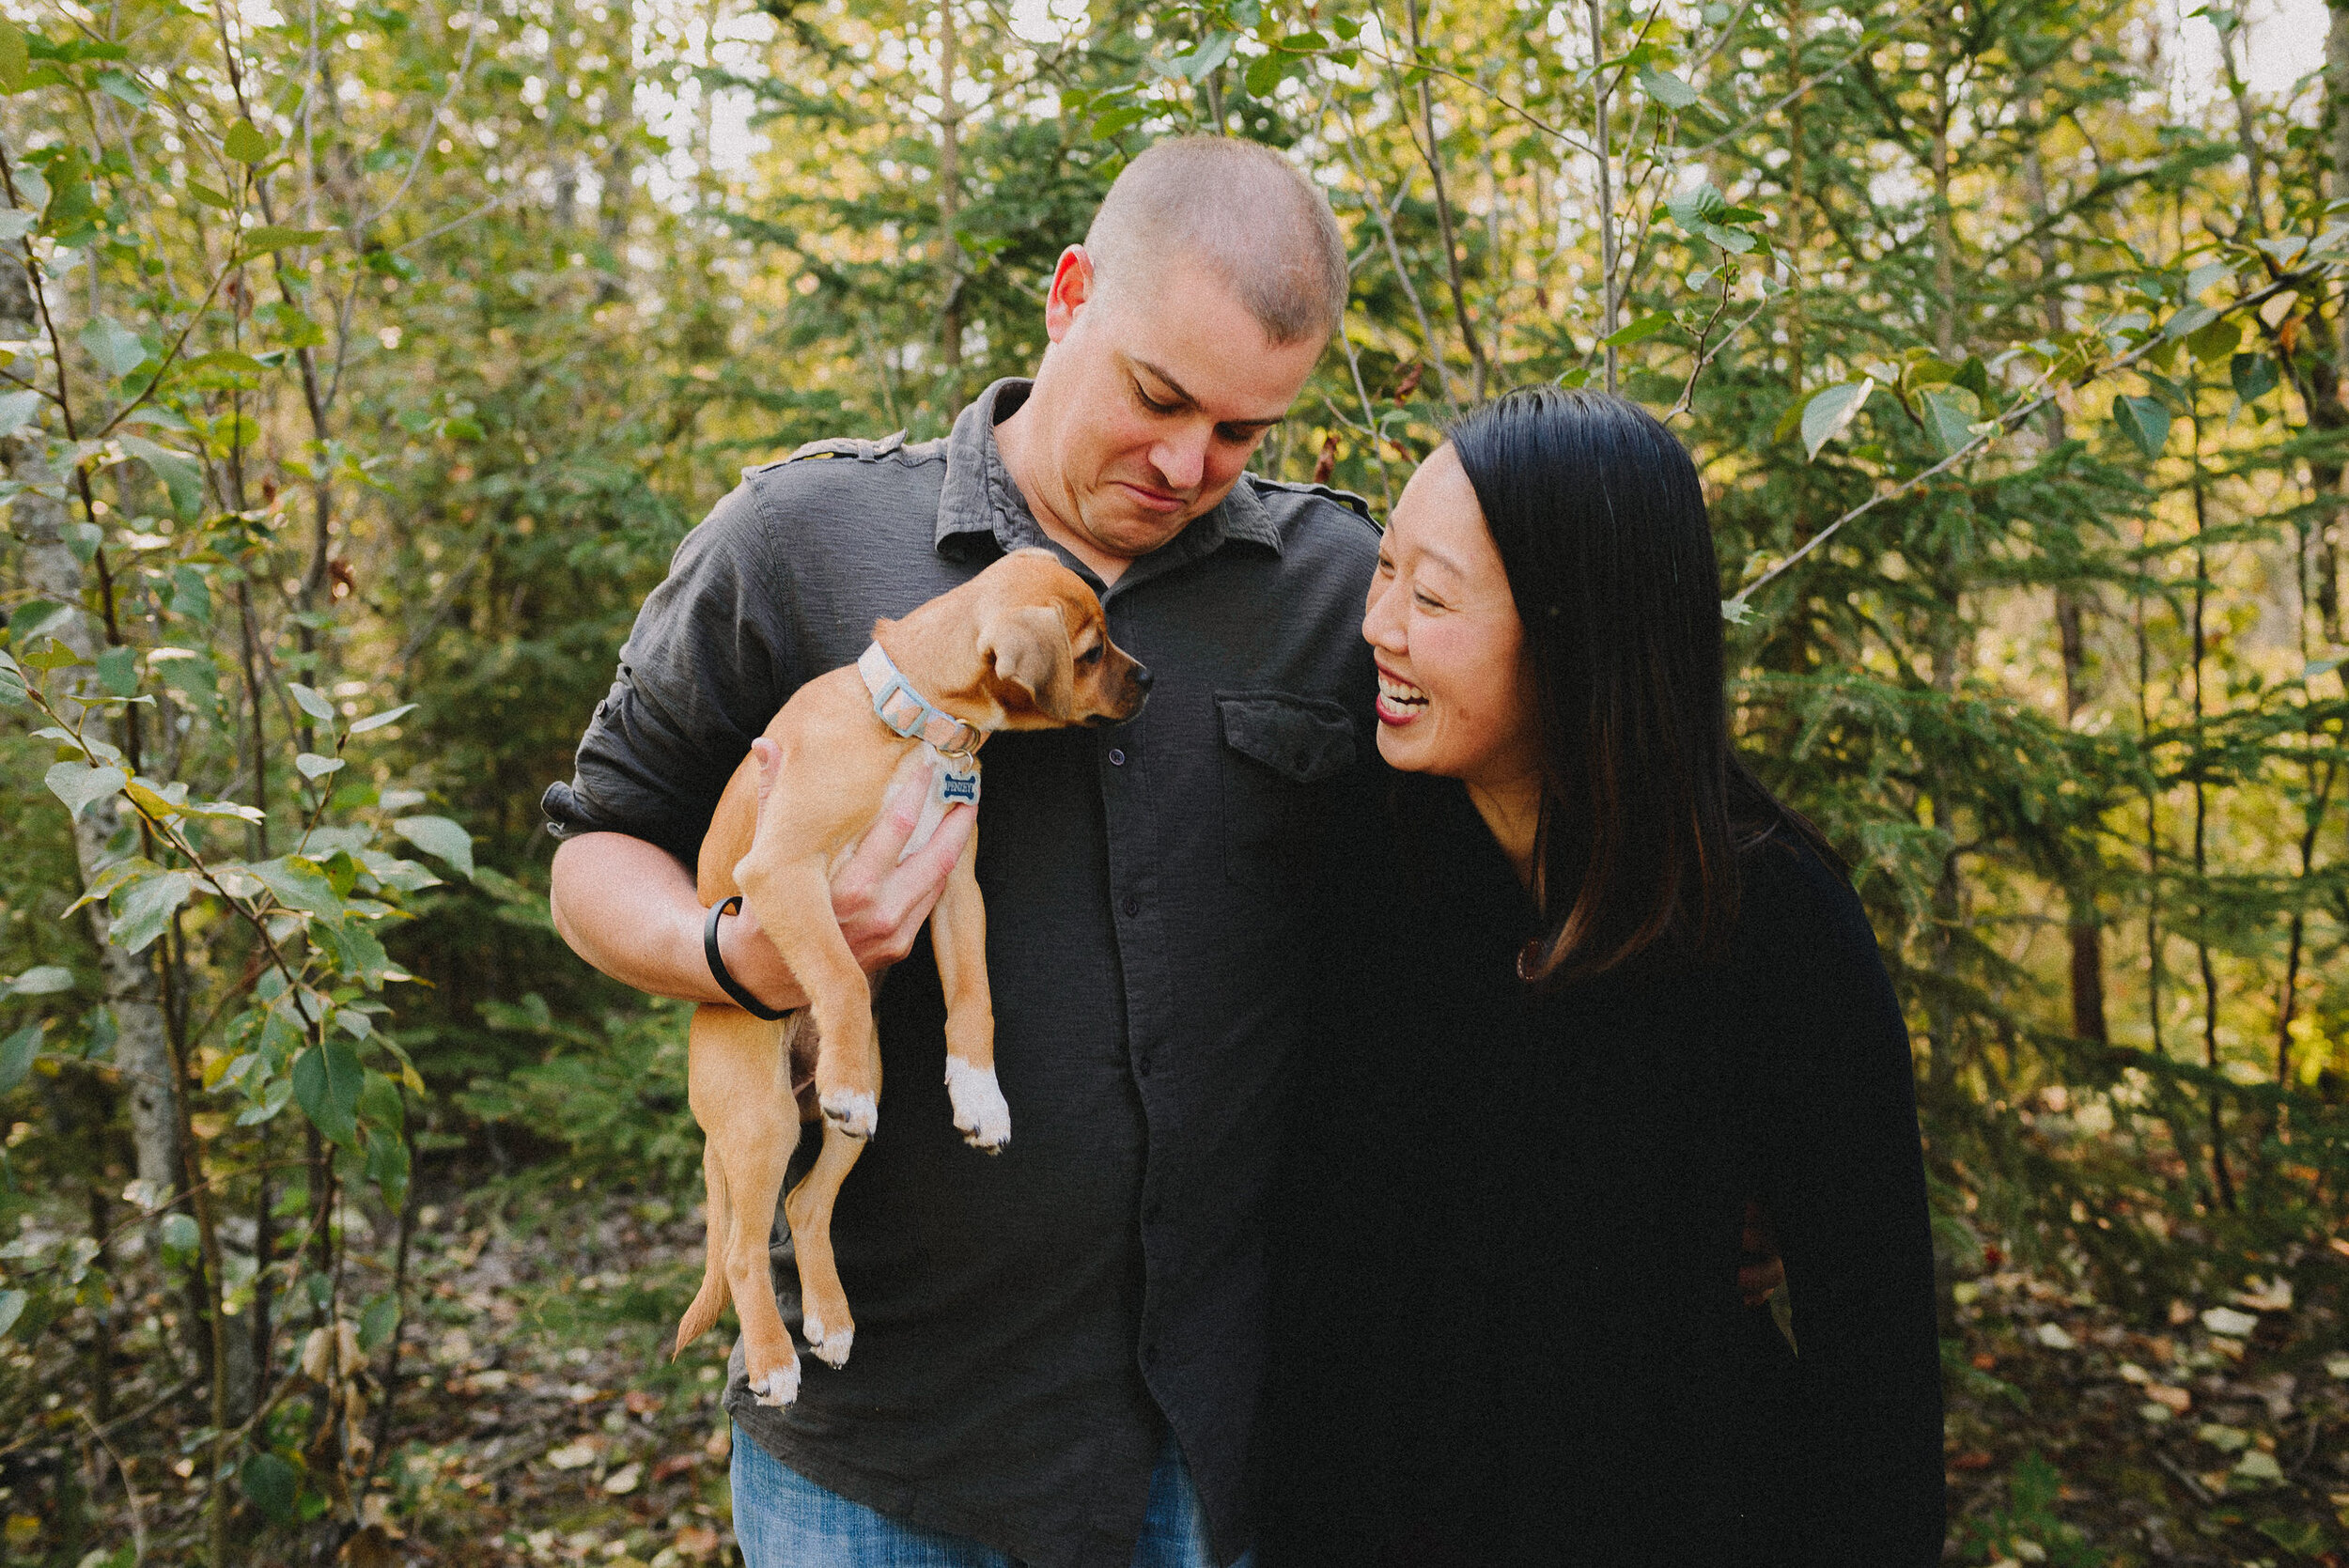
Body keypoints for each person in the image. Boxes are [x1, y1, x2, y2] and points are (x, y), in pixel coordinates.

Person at [543, 135, 1377, 1568]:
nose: (1188, 465)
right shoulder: (803, 539)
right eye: (1158, 396)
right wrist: (734, 958)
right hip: (882, 1459)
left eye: (1243, 432)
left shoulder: (1330, 589)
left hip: (1209, 1444)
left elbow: (1501, 869)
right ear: (1069, 298)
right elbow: (595, 845)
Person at [1256, 388, 1947, 1567]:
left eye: (1432, 598)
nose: (1380, 626)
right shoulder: (1358, 858)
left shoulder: (1768, 922)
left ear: (1580, 629)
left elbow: (1873, 1355)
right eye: (1383, 575)